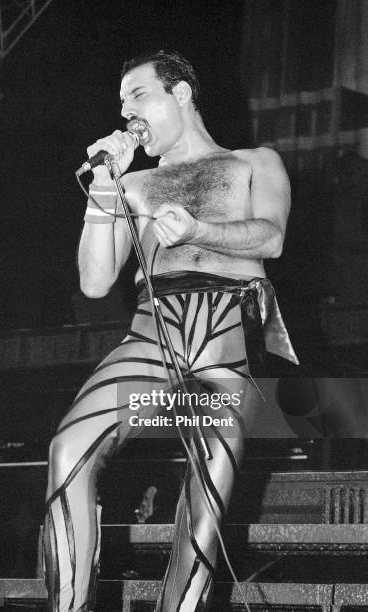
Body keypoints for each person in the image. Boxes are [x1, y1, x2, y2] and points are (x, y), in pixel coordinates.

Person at [43, 50, 298, 612]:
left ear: (180, 93)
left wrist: (197, 229)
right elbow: (94, 281)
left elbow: (270, 238)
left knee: (207, 491)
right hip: (153, 327)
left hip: (225, 328)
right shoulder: (132, 184)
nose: (126, 111)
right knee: (69, 449)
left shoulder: (253, 161)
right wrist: (107, 184)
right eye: (121, 103)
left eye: (138, 95)